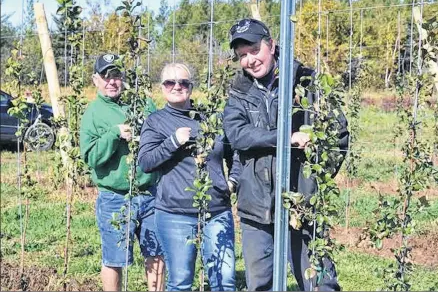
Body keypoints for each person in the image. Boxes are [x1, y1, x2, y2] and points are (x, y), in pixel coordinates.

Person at [223, 18, 349, 291]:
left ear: (271, 45)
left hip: (303, 202)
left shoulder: (306, 82)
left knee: (320, 283)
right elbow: (237, 135)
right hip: (256, 205)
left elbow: (338, 136)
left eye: (254, 50)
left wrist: (316, 179)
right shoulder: (239, 91)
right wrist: (285, 138)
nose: (249, 61)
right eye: (242, 56)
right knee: (261, 284)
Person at [138, 63, 240, 291]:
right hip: (175, 214)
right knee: (181, 282)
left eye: (183, 82)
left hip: (217, 212)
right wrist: (173, 142)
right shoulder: (156, 122)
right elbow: (145, 163)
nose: (177, 86)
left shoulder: (211, 118)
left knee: (224, 281)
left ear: (191, 87)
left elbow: (236, 154)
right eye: (170, 82)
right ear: (162, 87)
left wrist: (232, 181)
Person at [79, 54, 166, 291]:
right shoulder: (93, 113)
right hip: (114, 198)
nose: (111, 82)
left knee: (156, 254)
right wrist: (113, 135)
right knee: (114, 259)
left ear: (123, 78)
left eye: (115, 75)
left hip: (150, 193)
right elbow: (90, 158)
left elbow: (160, 135)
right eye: (105, 76)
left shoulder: (143, 104)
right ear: (95, 79)